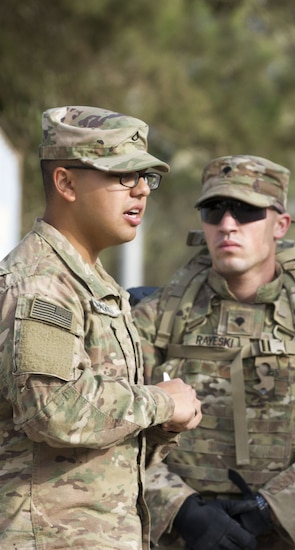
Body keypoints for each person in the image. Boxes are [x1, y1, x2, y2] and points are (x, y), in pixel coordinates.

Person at [132, 155, 295, 549]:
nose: (227, 224)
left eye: (246, 211)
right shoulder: (156, 319)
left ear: (280, 224)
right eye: (214, 210)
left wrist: (269, 510)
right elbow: (115, 432)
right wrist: (183, 511)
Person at [0, 106, 203, 550]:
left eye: (146, 177)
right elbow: (52, 407)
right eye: (122, 176)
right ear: (65, 183)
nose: (141, 191)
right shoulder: (42, 283)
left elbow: (101, 445)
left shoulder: (92, 284)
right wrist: (161, 404)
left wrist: (164, 425)